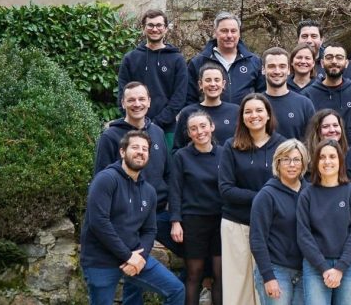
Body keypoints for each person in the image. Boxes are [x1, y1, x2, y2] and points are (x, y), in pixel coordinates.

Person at [93, 82, 178, 305]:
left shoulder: (157, 132)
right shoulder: (111, 136)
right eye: (131, 100)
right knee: (133, 276)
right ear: (123, 103)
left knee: (194, 250)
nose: (137, 104)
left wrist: (175, 215)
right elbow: (100, 180)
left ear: (149, 102)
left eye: (142, 99)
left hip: (157, 215)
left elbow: (169, 174)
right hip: (124, 220)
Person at [81, 130, 184, 305]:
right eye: (135, 147)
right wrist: (127, 256)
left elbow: (150, 230)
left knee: (177, 290)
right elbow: (99, 223)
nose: (140, 152)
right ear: (122, 152)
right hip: (101, 259)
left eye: (145, 149)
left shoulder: (149, 191)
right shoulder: (106, 179)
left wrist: (141, 257)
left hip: (136, 256)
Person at [218, 93, 287, 305]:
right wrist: (264, 197)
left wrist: (268, 202)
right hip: (236, 223)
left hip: (272, 226)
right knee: (237, 285)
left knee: (267, 285)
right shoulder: (231, 146)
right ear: (242, 117)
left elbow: (289, 185)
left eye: (259, 110)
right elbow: (226, 189)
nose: (253, 115)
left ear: (268, 115)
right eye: (248, 111)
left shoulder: (282, 145)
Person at [297, 139, 351, 305]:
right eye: (322, 157)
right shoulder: (307, 194)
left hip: (350, 265)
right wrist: (324, 268)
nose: (327, 161)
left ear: (340, 161)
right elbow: (303, 235)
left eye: (332, 157)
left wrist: (340, 268)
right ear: (316, 162)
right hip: (316, 266)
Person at [167, 112, 224, 305]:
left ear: (212, 127)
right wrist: (176, 221)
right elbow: (175, 190)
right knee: (194, 274)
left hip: (221, 221)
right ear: (188, 133)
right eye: (193, 128)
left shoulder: (224, 153)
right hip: (193, 221)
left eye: (203, 126)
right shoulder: (181, 156)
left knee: (220, 274)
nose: (199, 132)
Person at [250, 139, 311, 305]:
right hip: (276, 270)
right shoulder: (266, 196)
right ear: (277, 163)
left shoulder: (311, 193)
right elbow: (257, 240)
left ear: (303, 163)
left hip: (306, 271)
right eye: (286, 159)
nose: (292, 164)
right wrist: (268, 277)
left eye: (296, 159)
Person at [116, 9, 189, 140]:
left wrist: (156, 123)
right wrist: (135, 120)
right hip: (133, 129)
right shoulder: (130, 59)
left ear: (166, 29)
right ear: (144, 28)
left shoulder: (177, 59)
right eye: (150, 25)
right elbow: (122, 93)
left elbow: (179, 97)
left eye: (159, 25)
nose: (155, 29)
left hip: (166, 130)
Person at [187, 11, 264, 105]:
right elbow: (189, 98)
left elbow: (262, 96)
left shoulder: (254, 61)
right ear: (215, 32)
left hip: (244, 118)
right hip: (209, 118)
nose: (229, 35)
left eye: (233, 31)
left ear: (239, 33)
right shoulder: (198, 62)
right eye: (224, 31)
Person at [173, 63, 240, 150]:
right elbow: (177, 149)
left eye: (217, 80)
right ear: (200, 84)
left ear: (223, 84)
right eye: (208, 80)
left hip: (229, 162)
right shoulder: (188, 113)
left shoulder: (235, 111)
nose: (212, 84)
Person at [262, 47, 316, 140]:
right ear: (263, 69)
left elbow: (312, 142)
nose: (277, 71)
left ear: (288, 70)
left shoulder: (304, 104)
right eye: (271, 66)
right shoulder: (255, 103)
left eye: (282, 66)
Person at [302, 42, 351, 117]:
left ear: (346, 63)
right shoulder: (307, 95)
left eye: (339, 58)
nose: (334, 61)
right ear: (322, 63)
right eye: (329, 57)